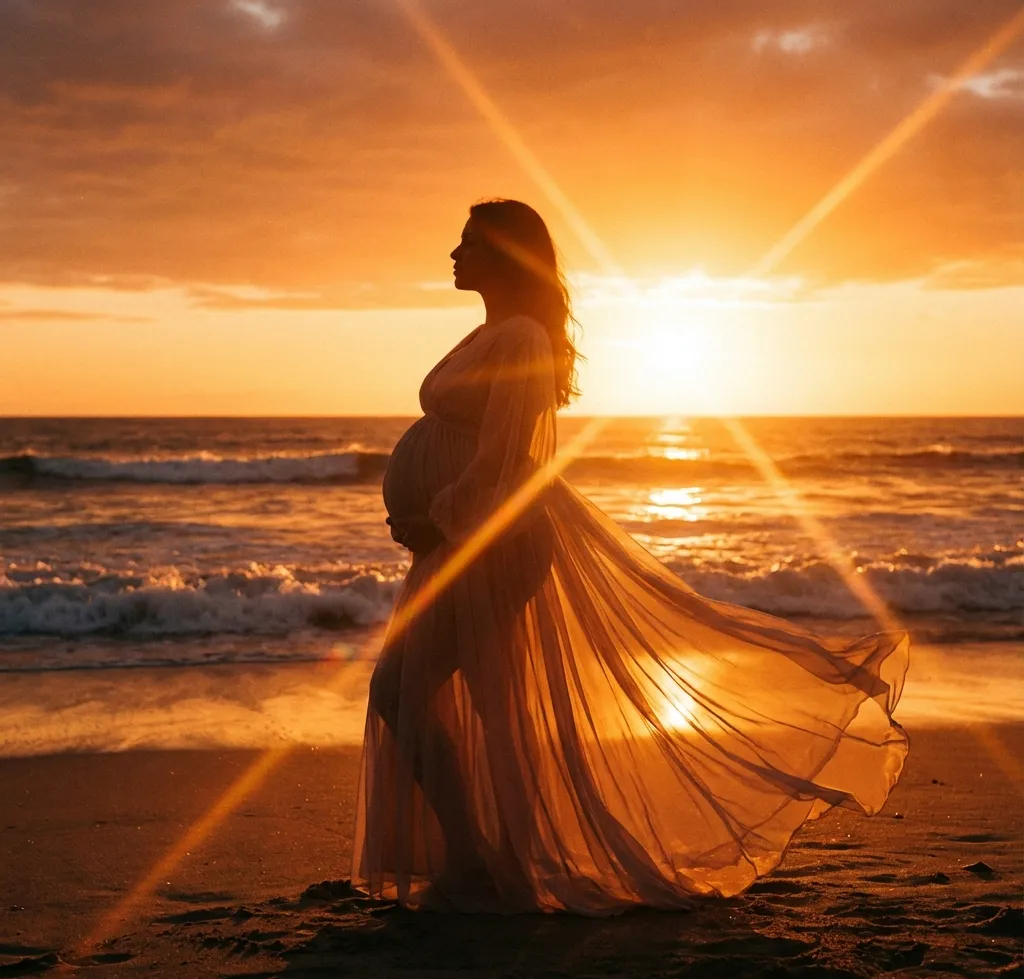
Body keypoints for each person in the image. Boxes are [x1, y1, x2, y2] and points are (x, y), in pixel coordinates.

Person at [352, 198, 908, 914]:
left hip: (490, 542)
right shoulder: (488, 334)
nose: (452, 254)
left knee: (411, 689)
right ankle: (486, 858)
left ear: (502, 254)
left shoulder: (520, 337)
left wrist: (443, 520)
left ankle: (479, 859)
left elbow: (502, 453)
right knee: (465, 700)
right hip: (461, 542)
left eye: (466, 243)